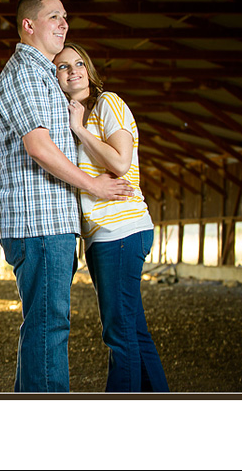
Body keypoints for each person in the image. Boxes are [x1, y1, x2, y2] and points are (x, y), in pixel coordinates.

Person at [0, 0, 133, 392]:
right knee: (49, 325)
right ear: (28, 25)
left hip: (49, 222)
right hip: (40, 223)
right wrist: (95, 186)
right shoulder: (26, 74)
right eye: (54, 17)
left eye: (66, 17)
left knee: (43, 324)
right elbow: (38, 146)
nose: (64, 24)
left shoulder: (44, 77)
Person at [54, 42, 169, 392]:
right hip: (105, 233)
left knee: (118, 332)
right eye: (62, 66)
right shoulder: (75, 114)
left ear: (89, 69)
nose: (72, 70)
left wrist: (81, 130)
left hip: (120, 227)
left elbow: (120, 162)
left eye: (78, 63)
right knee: (132, 329)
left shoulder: (108, 103)